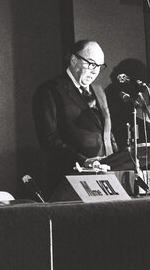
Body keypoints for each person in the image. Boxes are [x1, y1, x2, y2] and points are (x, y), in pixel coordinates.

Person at [33, 40, 117, 191]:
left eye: (99, 66)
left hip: (105, 175)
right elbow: (49, 139)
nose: (95, 71)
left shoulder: (99, 91)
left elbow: (106, 133)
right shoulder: (49, 90)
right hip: (70, 177)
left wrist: (118, 159)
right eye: (91, 64)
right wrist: (84, 161)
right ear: (73, 60)